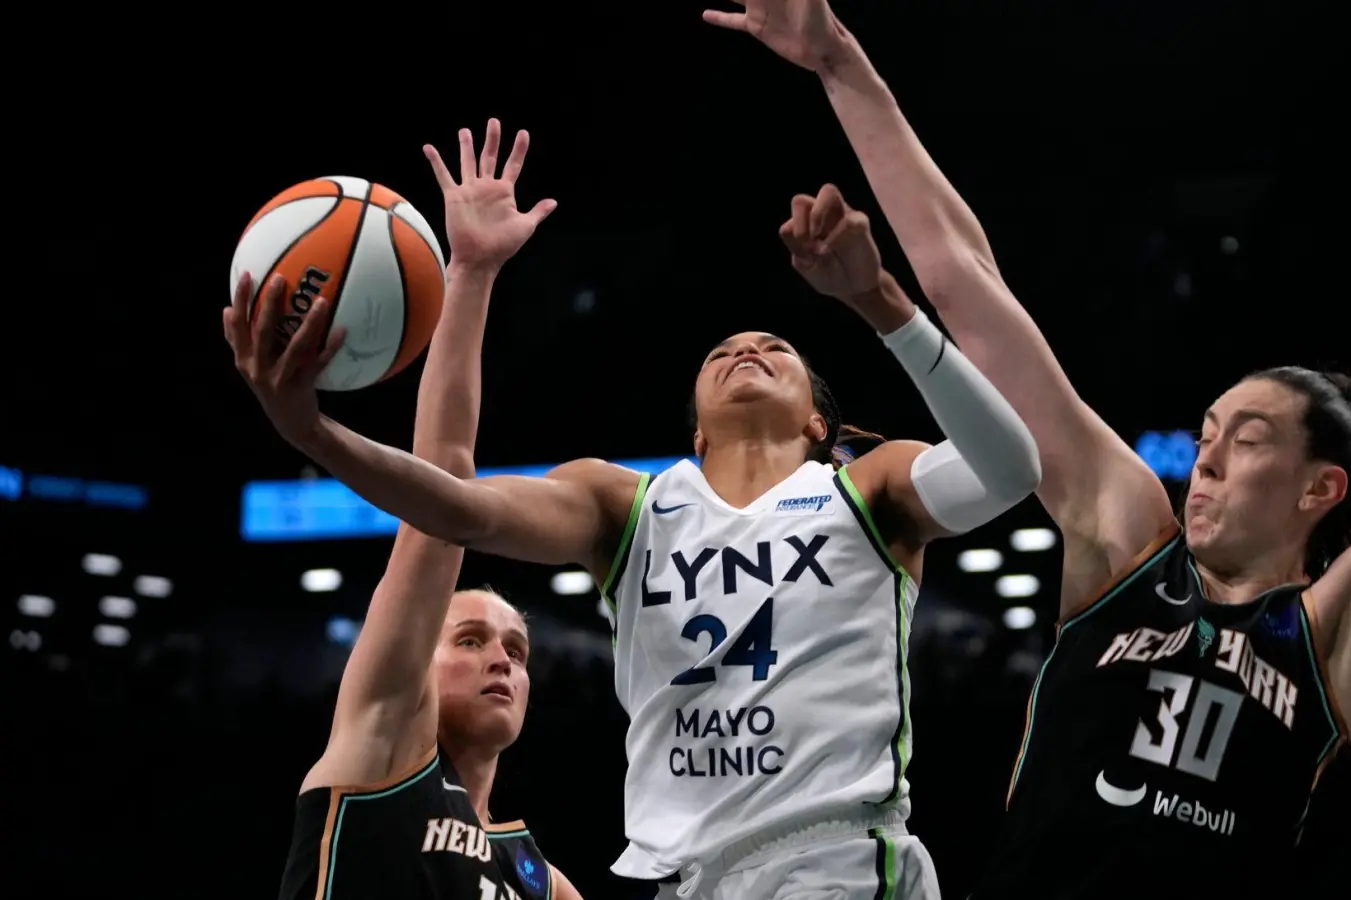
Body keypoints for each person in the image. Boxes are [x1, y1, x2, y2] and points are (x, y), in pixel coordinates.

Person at [704, 0, 1351, 894]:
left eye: (1246, 442)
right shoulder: (1126, 542)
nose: (1204, 459)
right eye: (1206, 435)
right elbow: (964, 282)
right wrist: (843, 64)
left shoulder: (1337, 637)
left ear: (1320, 488)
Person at [226, 123, 1043, 897]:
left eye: (775, 350)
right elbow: (457, 505)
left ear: (817, 423)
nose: (746, 350)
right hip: (690, 876)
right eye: (723, 352)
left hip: (831, 856)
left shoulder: (868, 489)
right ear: (694, 428)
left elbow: (1011, 468)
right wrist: (318, 434)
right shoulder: (631, 506)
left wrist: (883, 305)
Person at [228, 120, 582, 900]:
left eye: (517, 652)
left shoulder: (542, 884)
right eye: (469, 638)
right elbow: (445, 488)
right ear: (410, 661)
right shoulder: (385, 751)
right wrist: (472, 275)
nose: (503, 660)